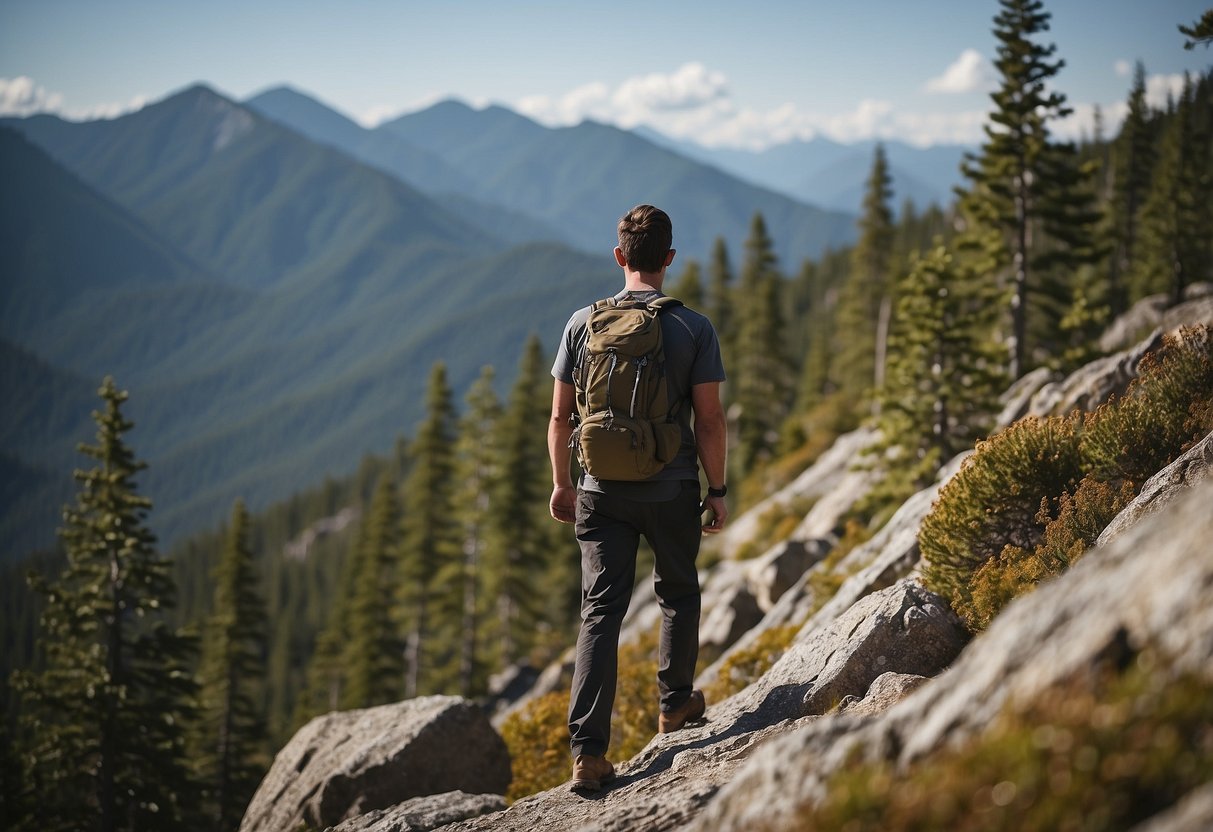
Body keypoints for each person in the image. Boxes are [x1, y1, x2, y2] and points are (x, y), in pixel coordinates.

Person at [548, 204, 729, 793]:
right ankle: (675, 703)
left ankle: (588, 754)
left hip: (600, 491)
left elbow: (558, 417)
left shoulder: (582, 323)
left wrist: (562, 484)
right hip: (672, 486)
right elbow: (709, 421)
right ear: (669, 259)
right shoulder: (693, 328)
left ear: (620, 256)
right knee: (676, 592)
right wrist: (718, 489)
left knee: (600, 613)